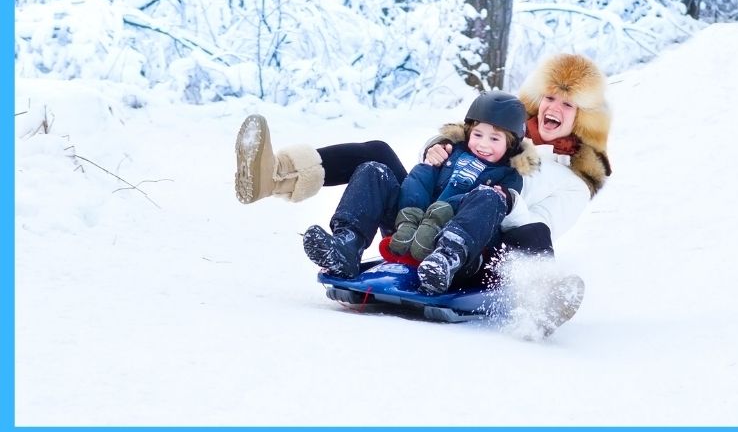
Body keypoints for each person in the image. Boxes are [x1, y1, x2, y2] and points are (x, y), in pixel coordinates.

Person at [234, 53, 610, 331]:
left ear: (584, 119)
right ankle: (279, 177)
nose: (554, 108)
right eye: (550, 97)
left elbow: (537, 228)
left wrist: (505, 199)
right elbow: (431, 179)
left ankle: (543, 300)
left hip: (476, 249)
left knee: (532, 231)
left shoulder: (572, 182)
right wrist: (440, 151)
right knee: (378, 157)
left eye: (568, 103)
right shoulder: (494, 132)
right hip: (419, 227)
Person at [298, 91, 535, 294]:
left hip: (454, 244)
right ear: (468, 131)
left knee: (489, 197)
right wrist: (412, 208)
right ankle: (346, 245)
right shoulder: (448, 152)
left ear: (512, 144)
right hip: (408, 227)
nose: (483, 144)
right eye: (478, 135)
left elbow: (493, 215)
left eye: (495, 138)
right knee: (374, 171)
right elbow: (418, 181)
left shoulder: (509, 177)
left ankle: (445, 261)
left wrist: (452, 211)